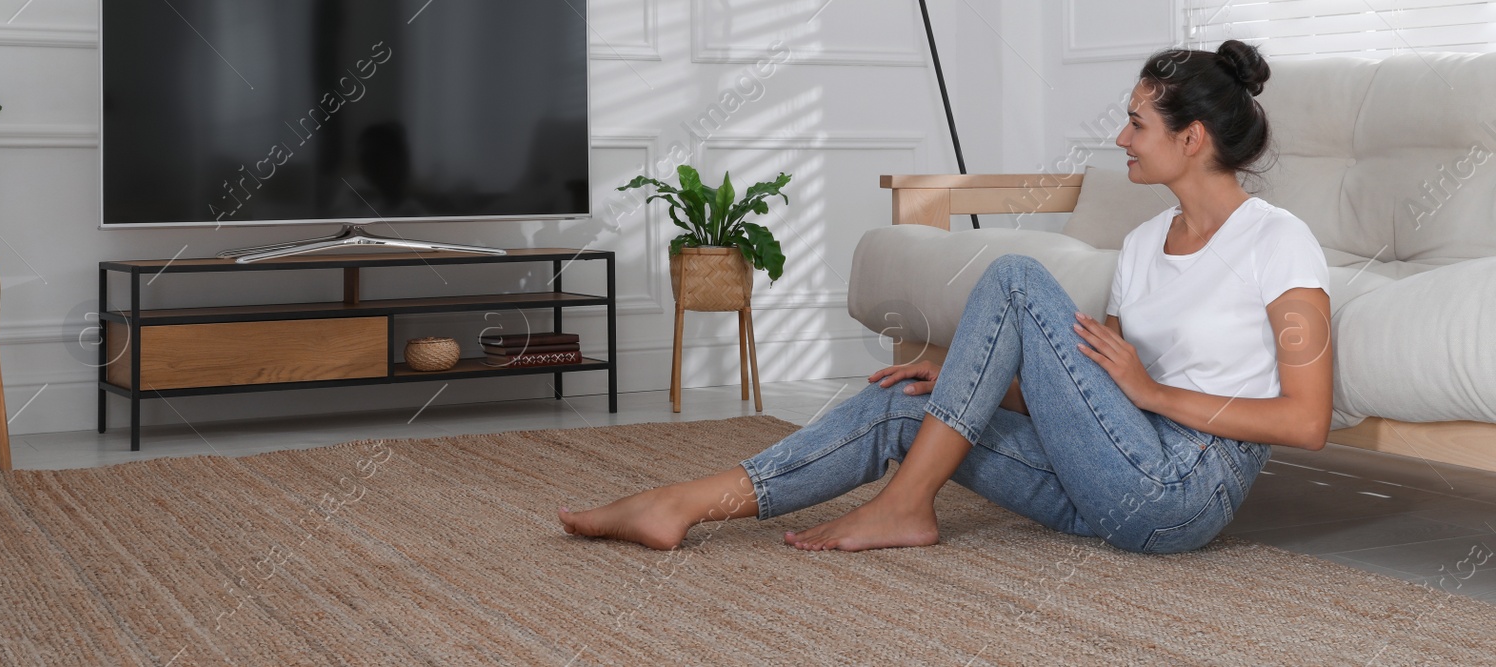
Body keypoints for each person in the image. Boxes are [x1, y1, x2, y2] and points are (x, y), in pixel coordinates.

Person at [559, 41, 1333, 555]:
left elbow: (1306, 419)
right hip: (1105, 479)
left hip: (1182, 495)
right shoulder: (1142, 246)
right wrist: (973, 375)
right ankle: (686, 504)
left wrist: (1155, 390)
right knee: (908, 407)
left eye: (1136, 122)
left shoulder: (1278, 241)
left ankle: (903, 506)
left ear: (1191, 137)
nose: (1122, 138)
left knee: (1017, 276)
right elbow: (1093, 397)